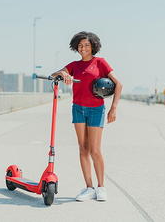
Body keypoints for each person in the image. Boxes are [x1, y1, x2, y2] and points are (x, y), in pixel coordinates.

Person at [51, 31, 122, 202]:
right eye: (80, 45)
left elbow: (118, 84)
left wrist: (113, 109)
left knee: (95, 150)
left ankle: (101, 187)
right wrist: (64, 74)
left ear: (93, 47)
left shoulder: (100, 62)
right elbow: (54, 74)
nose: (83, 48)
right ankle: (89, 187)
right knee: (83, 149)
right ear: (76, 47)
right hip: (78, 109)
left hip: (96, 109)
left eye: (87, 45)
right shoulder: (75, 65)